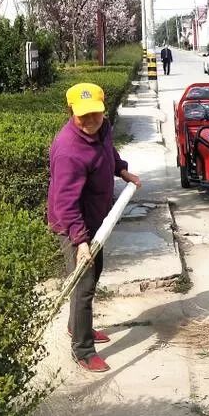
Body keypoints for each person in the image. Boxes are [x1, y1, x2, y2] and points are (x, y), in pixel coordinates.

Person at [47, 82, 142, 373]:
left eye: (95, 115)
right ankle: (83, 350)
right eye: (82, 116)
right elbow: (65, 203)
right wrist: (81, 242)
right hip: (74, 224)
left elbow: (108, 151)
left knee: (93, 275)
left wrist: (122, 169)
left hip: (95, 218)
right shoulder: (68, 150)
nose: (90, 122)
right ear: (70, 112)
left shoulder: (102, 129)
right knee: (84, 284)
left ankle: (78, 328)